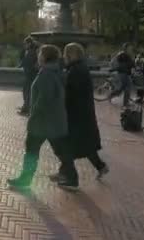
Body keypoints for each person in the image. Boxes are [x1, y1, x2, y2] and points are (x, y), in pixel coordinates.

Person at [7, 45, 69, 189]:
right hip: (54, 121)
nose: (38, 56)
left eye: (40, 54)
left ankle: (25, 180)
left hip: (42, 122)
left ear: (44, 57)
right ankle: (69, 174)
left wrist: (33, 115)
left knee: (31, 150)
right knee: (60, 150)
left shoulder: (46, 74)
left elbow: (43, 100)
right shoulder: (56, 72)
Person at [48, 43, 109, 188]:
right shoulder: (79, 68)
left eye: (66, 53)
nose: (64, 56)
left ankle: (68, 176)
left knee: (66, 146)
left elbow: (70, 94)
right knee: (85, 146)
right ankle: (100, 166)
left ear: (71, 55)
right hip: (82, 115)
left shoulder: (76, 71)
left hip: (76, 115)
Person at [109, 43, 136, 107]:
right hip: (124, 74)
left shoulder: (126, 55)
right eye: (129, 48)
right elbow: (128, 64)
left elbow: (131, 64)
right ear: (126, 48)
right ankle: (125, 103)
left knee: (121, 89)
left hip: (125, 74)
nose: (131, 49)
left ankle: (111, 95)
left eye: (131, 48)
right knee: (126, 88)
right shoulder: (123, 55)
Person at [18, 37, 39, 115]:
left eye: (25, 43)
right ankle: (26, 107)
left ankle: (26, 108)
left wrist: (23, 64)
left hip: (30, 75)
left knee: (27, 92)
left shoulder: (32, 52)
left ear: (29, 43)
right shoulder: (30, 51)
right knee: (27, 91)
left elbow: (28, 62)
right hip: (29, 74)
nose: (24, 45)